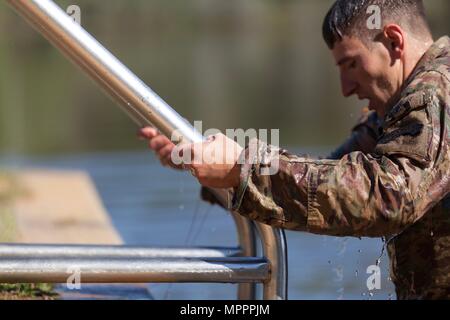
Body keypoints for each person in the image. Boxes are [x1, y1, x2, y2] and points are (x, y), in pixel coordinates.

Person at [139, 0, 449, 299]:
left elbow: (388, 197)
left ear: (394, 41)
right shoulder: (394, 111)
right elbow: (328, 183)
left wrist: (243, 167)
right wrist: (209, 160)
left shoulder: (435, 92)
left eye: (351, 64)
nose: (346, 88)